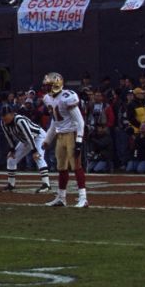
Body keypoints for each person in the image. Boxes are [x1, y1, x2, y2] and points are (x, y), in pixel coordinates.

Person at [40, 72, 89, 208]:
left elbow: (80, 122)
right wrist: (48, 140)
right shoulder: (48, 99)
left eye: (48, 85)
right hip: (60, 135)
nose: (45, 88)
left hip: (72, 134)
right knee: (61, 168)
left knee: (76, 166)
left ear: (56, 85)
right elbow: (54, 122)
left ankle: (83, 198)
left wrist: (79, 140)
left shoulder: (67, 97)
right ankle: (61, 198)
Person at [0, 104, 51, 193]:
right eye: (3, 117)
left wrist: (34, 151)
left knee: (38, 157)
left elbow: (28, 135)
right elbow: (8, 137)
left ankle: (46, 184)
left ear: (12, 114)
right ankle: (11, 184)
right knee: (11, 159)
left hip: (38, 136)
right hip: (25, 140)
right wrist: (12, 150)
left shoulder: (19, 120)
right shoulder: (3, 123)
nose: (4, 120)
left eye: (6, 117)